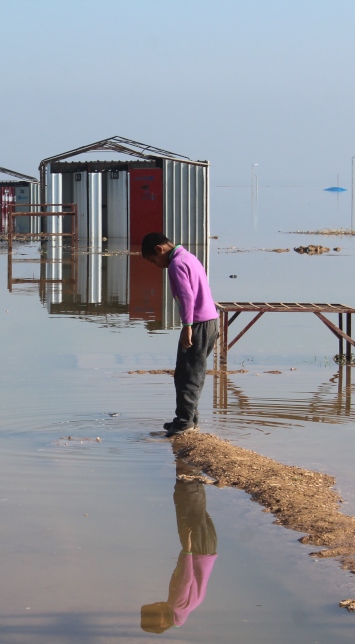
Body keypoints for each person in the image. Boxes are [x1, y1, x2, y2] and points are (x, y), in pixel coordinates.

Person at [141, 232, 219, 437]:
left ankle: (184, 423)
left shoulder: (176, 264)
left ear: (160, 249)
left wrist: (187, 326)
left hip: (198, 323)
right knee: (193, 371)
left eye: (153, 260)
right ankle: (188, 419)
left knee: (187, 374)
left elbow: (186, 297)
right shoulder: (189, 257)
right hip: (210, 321)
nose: (156, 265)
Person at [140, 456, 218, 633]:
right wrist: (188, 550)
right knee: (187, 501)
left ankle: (192, 463)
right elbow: (185, 578)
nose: (155, 604)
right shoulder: (177, 605)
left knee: (196, 503)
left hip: (208, 548)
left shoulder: (187, 610)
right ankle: (188, 460)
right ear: (161, 622)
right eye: (153, 611)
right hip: (196, 549)